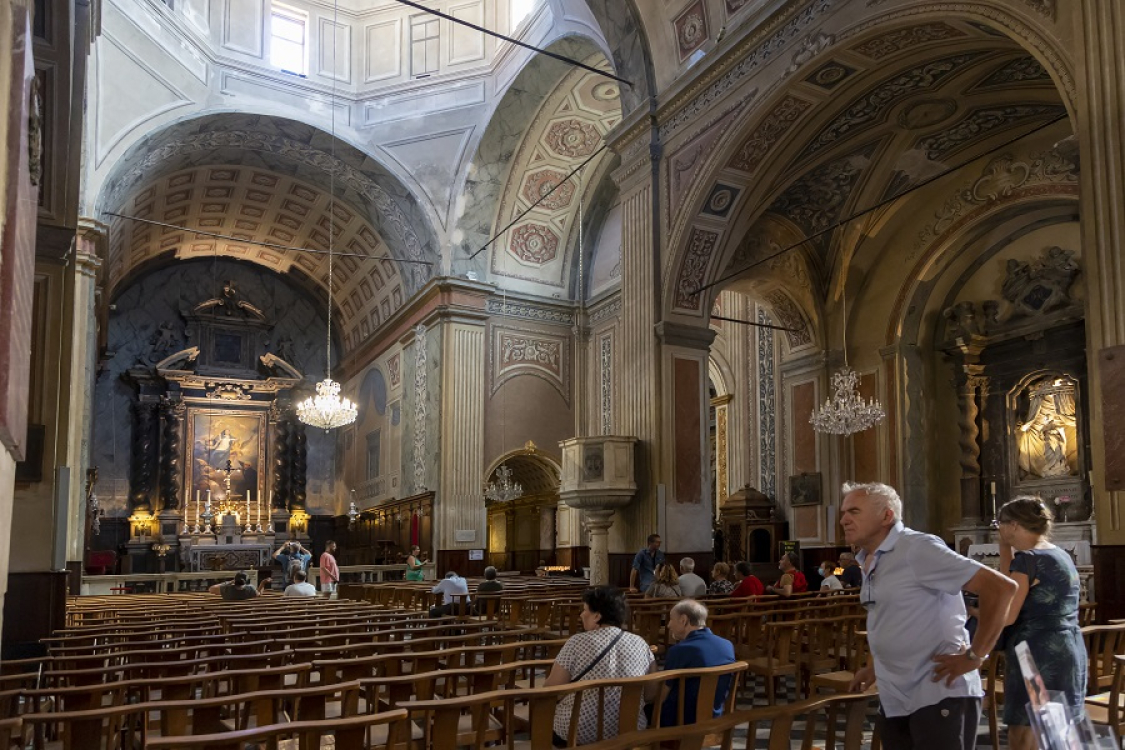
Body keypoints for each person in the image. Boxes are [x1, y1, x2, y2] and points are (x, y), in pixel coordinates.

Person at [842, 481, 1017, 750]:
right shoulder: (871, 559)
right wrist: (875, 667)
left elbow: (1001, 587)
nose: (844, 520)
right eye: (843, 513)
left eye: (854, 512)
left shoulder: (916, 548)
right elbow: (895, 618)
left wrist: (975, 656)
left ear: (887, 516)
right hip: (895, 695)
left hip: (937, 693)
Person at [996, 496, 1087, 750]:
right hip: (1068, 648)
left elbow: (1009, 614)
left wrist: (976, 615)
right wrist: (1005, 550)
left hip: (1035, 653)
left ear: (1013, 525)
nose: (999, 529)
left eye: (1000, 523)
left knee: (1024, 733)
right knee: (1057, 731)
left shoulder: (1027, 560)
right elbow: (1010, 586)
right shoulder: (1060, 554)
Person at [544, 587, 656, 746]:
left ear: (597, 616)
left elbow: (551, 690)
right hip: (629, 729)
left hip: (578, 733)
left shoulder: (577, 643)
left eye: (585, 610)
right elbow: (651, 693)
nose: (582, 615)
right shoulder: (640, 643)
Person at [657, 599, 736, 727]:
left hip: (681, 722)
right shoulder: (727, 645)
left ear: (683, 620)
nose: (668, 625)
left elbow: (662, 695)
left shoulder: (679, 651)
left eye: (671, 619)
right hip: (715, 718)